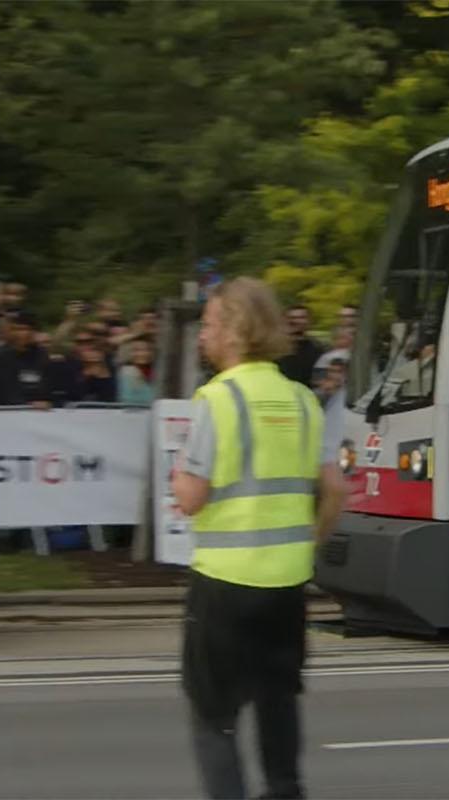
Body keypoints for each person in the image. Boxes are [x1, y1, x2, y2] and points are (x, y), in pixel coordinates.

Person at [171, 277, 349, 800]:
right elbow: (335, 489)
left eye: (208, 324)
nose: (203, 335)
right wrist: (308, 544)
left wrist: (179, 481)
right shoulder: (302, 400)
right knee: (278, 701)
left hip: (224, 584)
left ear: (233, 331)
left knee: (213, 717)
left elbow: (193, 496)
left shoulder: (216, 400)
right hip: (286, 585)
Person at [274, 304, 323, 387]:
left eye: (301, 318)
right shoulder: (275, 347)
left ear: (309, 321)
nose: (296, 321)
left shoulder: (318, 348)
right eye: (292, 318)